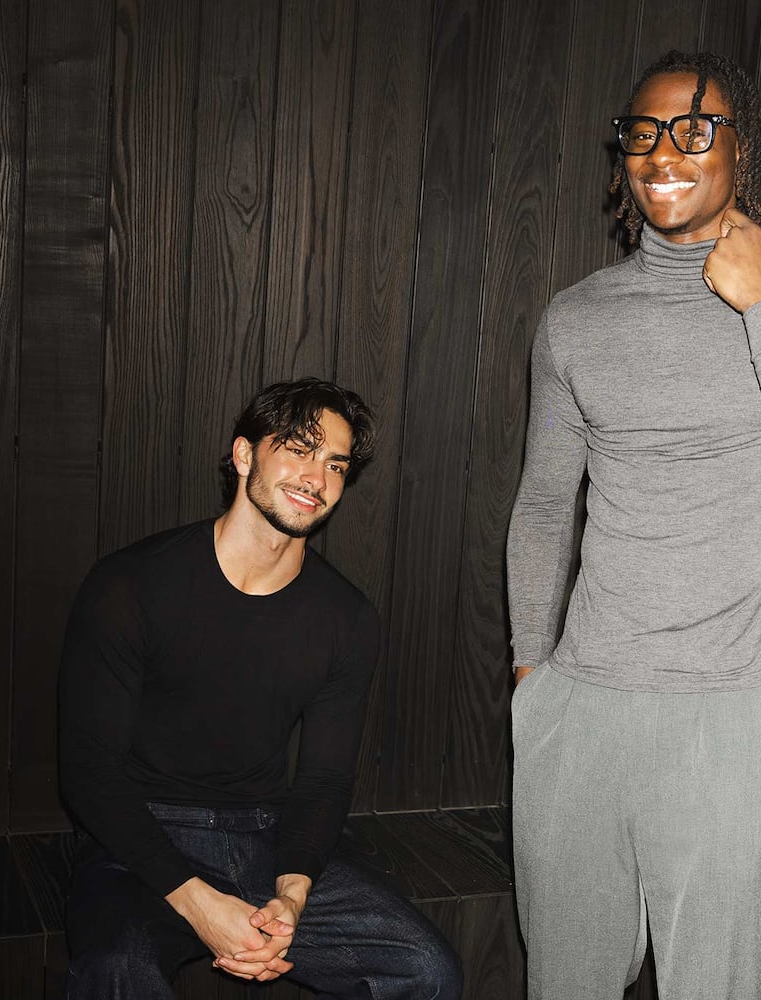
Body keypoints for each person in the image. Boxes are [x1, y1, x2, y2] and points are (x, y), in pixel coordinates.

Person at [505, 50, 761, 999]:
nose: (664, 152)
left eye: (694, 128)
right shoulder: (575, 317)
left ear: (741, 150)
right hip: (579, 712)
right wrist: (532, 681)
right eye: (643, 132)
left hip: (729, 716)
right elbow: (546, 506)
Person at [60, 378, 462, 998]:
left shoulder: (345, 618)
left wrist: (292, 897)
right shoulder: (131, 586)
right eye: (298, 449)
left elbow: (325, 780)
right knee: (119, 968)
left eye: (335, 463)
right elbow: (88, 772)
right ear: (245, 455)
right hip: (139, 834)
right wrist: (201, 907)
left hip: (265, 832)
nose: (316, 477)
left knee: (427, 970)